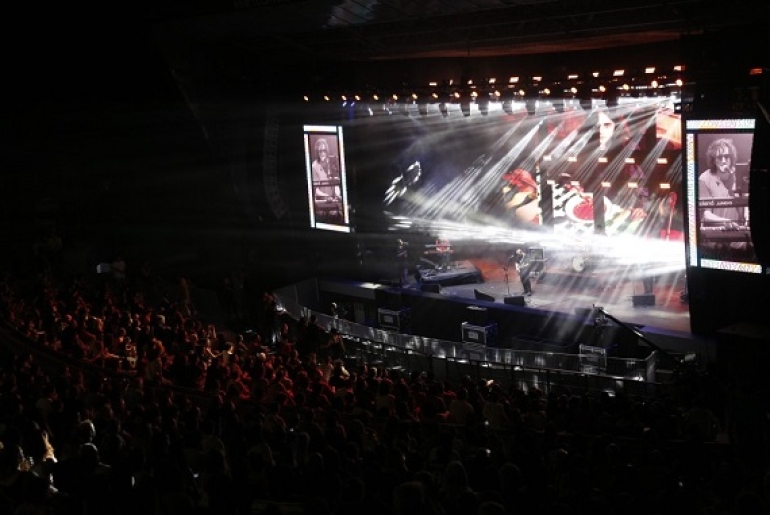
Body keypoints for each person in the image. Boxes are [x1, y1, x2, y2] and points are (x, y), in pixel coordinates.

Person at [698, 138, 743, 226]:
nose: (723, 161)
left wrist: (735, 191)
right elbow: (706, 215)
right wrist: (725, 222)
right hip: (715, 231)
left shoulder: (738, 175)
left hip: (737, 229)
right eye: (719, 157)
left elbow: (743, 214)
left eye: (726, 156)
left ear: (731, 158)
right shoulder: (704, 179)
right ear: (714, 160)